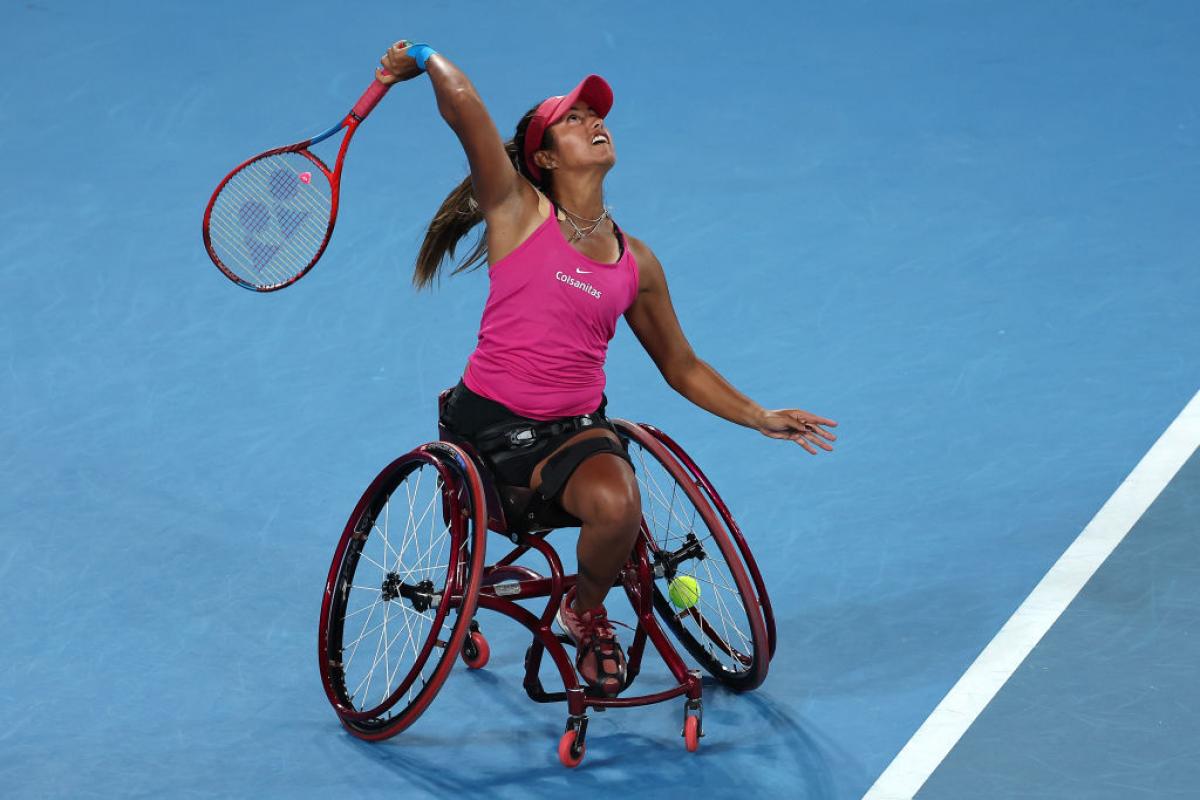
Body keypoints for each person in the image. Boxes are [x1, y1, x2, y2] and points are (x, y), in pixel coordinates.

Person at [377, 41, 837, 697]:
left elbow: (681, 365)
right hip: (489, 434)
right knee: (593, 487)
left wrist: (759, 415)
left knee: (620, 503)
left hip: (574, 433)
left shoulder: (635, 263)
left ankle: (584, 609)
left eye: (597, 115)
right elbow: (467, 109)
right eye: (573, 119)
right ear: (542, 157)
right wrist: (423, 56)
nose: (596, 123)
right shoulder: (515, 210)